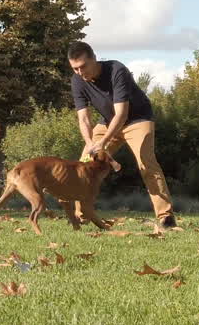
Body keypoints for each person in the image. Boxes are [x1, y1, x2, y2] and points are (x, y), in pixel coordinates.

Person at [68, 41, 177, 228]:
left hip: (137, 119)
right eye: (75, 68)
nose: (79, 72)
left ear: (94, 59)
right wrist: (90, 144)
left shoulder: (116, 70)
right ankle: (82, 214)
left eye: (83, 66)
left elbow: (122, 114)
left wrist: (102, 142)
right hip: (108, 122)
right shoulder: (77, 81)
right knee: (84, 164)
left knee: (146, 163)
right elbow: (84, 119)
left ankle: (165, 216)